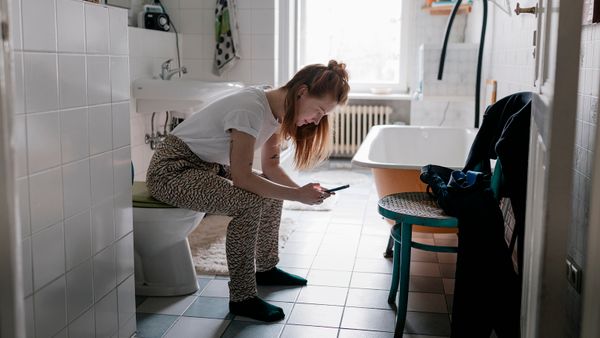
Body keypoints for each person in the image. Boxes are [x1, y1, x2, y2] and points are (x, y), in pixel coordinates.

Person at [146, 60, 350, 322]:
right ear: (301, 93)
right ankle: (242, 297)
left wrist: (302, 191)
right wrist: (298, 195)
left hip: (208, 166)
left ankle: (265, 268)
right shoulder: (251, 108)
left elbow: (272, 167)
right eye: (319, 111)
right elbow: (242, 178)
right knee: (250, 202)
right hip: (172, 169)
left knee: (270, 189)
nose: (317, 120)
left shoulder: (275, 107)